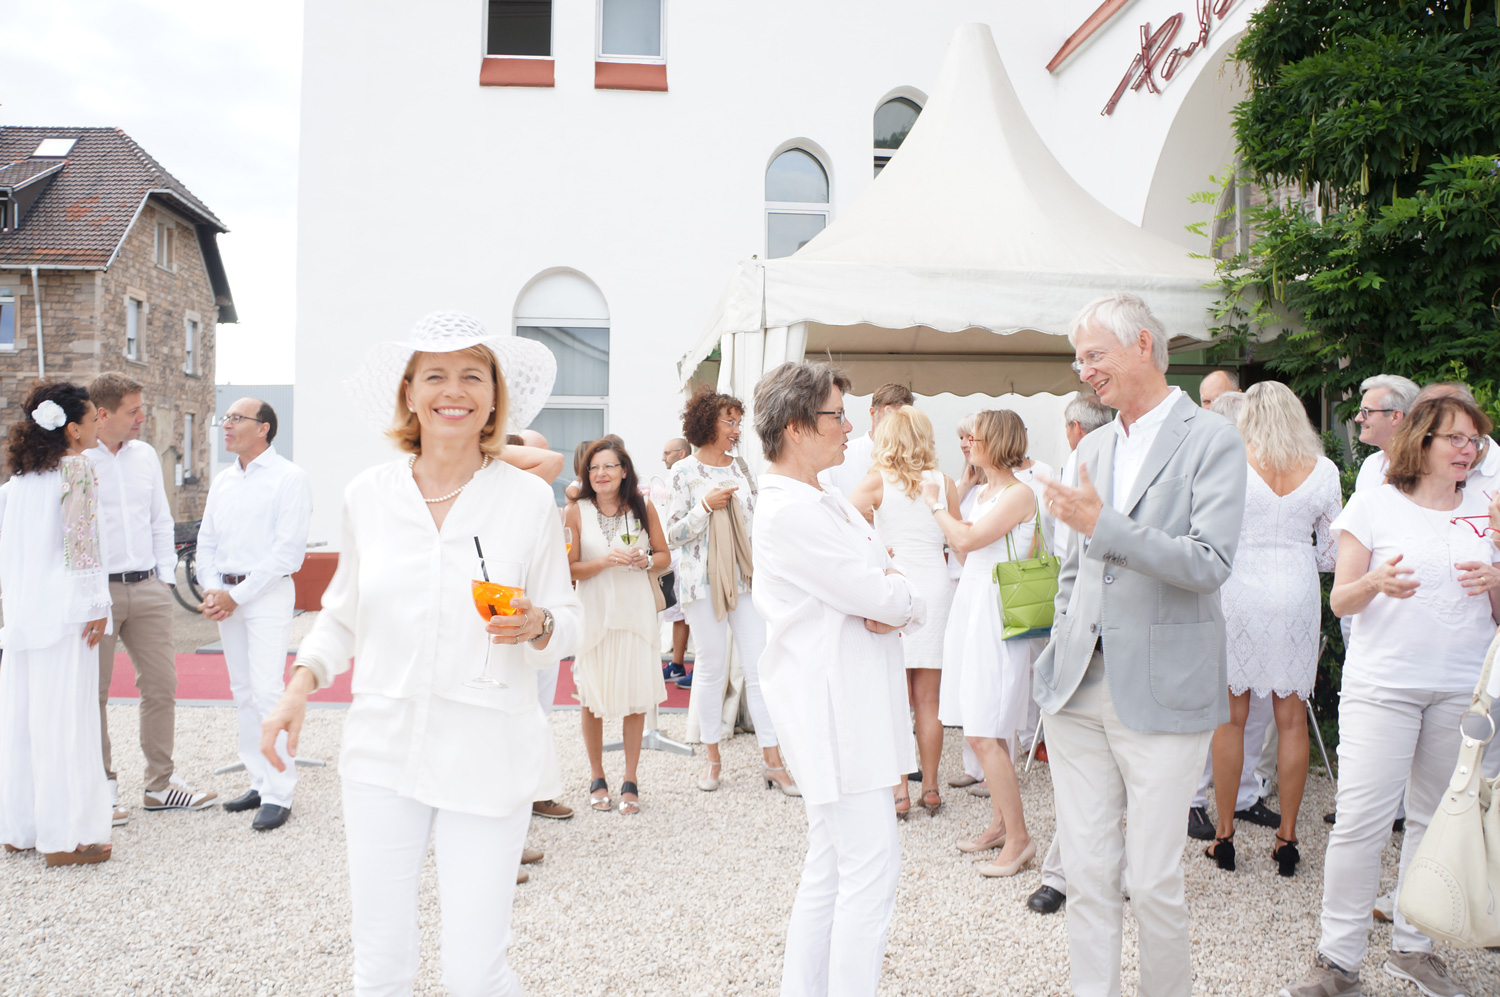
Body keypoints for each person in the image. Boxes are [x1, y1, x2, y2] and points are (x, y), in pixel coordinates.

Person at [261, 310, 580, 994]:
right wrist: (298, 686)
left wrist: (541, 623)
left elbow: (572, 620)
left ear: (495, 397)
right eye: (434, 374)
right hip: (383, 747)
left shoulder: (528, 500)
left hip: (488, 747)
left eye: (472, 374)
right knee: (379, 964)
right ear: (409, 392)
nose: (453, 390)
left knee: (475, 969)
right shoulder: (368, 496)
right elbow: (342, 612)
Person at [1037, 292, 1247, 997]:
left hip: (1162, 690)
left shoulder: (1213, 438)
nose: (1082, 370)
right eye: (1078, 357)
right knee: (1089, 874)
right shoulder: (1093, 444)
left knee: (1153, 880)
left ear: (1144, 347)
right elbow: (1075, 567)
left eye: (1093, 355)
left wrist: (1107, 525)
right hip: (1076, 691)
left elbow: (1210, 562)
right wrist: (1056, 652)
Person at [1278, 393, 1500, 997]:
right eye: (1456, 438)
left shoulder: (1489, 506)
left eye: (1474, 439)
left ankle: (1414, 948)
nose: (1469, 448)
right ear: (1421, 442)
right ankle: (1336, 961)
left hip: (1460, 687)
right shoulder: (1373, 503)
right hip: (1384, 686)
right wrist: (1375, 580)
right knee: (1360, 822)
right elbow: (1341, 600)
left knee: (1434, 819)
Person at [750, 360, 924, 997]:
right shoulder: (792, 512)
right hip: (835, 708)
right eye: (835, 415)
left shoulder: (819, 498)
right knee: (867, 872)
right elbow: (882, 590)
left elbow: (888, 579)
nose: (849, 427)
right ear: (797, 427)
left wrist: (895, 594)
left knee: (831, 865)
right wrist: (899, 598)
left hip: (846, 700)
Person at [1205, 381, 1341, 878]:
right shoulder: (1324, 471)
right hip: (1297, 592)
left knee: (1231, 717)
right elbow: (1331, 554)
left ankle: (1223, 835)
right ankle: (1287, 837)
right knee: (1291, 719)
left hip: (1239, 589)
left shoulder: (1232, 463)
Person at [87, 372, 217, 816]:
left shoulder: (143, 456)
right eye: (133, 411)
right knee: (93, 693)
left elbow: (161, 520)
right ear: (102, 414)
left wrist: (164, 582)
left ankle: (159, 785)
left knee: (162, 686)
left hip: (147, 588)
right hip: (96, 594)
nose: (142, 418)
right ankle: (99, 788)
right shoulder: (77, 458)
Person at [0, 382, 114, 866]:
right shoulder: (79, 470)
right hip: (67, 614)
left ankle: (21, 827)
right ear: (71, 430)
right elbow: (83, 547)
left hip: (26, 614)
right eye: (92, 420)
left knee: (24, 720)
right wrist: (97, 604)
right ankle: (69, 837)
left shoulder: (18, 483)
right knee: (68, 720)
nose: (97, 426)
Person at [924, 409, 1042, 878]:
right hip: (974, 607)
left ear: (1000, 441)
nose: (969, 440)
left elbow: (965, 542)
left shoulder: (1019, 494)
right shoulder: (989, 491)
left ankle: (1020, 839)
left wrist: (935, 505)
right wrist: (958, 486)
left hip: (997, 614)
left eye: (977, 435)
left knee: (984, 729)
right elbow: (960, 539)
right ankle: (999, 824)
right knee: (989, 726)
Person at [665, 387, 795, 794]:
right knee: (710, 666)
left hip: (746, 578)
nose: (737, 430)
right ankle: (711, 758)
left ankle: (773, 761)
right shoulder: (682, 472)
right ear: (707, 423)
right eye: (730, 421)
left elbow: (760, 521)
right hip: (701, 583)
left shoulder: (742, 468)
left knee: (760, 666)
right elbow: (673, 533)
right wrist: (705, 507)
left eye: (739, 422)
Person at [196, 397, 313, 832]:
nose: (225, 426)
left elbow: (287, 552)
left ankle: (280, 792)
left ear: (263, 428)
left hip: (264, 595)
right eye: (225, 419)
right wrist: (213, 589)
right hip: (226, 593)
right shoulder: (224, 480)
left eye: (235, 419)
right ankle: (259, 781)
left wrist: (237, 596)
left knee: (267, 690)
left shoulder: (290, 478)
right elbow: (206, 541)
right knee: (242, 690)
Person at [848, 405, 959, 817]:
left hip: (896, 587)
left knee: (894, 697)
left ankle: (899, 791)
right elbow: (956, 537)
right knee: (929, 700)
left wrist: (874, 541)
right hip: (936, 587)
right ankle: (930, 787)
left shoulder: (877, 480)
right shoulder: (944, 482)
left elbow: (842, 517)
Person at [1029, 389, 1114, 917]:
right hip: (1081, 632)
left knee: (1124, 779)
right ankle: (1061, 873)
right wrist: (1062, 629)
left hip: (1138, 639)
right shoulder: (1083, 460)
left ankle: (1111, 871)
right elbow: (1069, 559)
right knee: (1079, 776)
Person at [566, 438, 669, 815]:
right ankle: (596, 776)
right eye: (593, 468)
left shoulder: (643, 507)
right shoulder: (575, 511)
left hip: (635, 613)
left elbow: (664, 557)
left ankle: (630, 779)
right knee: (591, 696)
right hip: (594, 612)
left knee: (635, 694)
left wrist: (644, 560)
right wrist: (605, 562)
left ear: (624, 470)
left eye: (608, 466)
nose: (600, 474)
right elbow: (570, 568)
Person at [944, 412, 989, 796]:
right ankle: (972, 765)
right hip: (958, 582)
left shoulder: (1004, 489)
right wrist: (962, 483)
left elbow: (961, 534)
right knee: (962, 673)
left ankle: (991, 768)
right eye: (961, 439)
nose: (964, 445)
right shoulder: (968, 484)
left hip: (981, 583)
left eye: (969, 438)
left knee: (983, 675)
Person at [817, 382, 914, 498]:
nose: (895, 424)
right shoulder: (840, 454)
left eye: (903, 418)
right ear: (873, 413)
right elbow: (824, 501)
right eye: (890, 416)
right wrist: (857, 514)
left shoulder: (916, 460)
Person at [660, 436, 692, 685]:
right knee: (676, 612)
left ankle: (691, 667)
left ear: (681, 454)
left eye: (667, 453)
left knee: (689, 612)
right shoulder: (670, 480)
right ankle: (677, 664)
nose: (663, 458)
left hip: (685, 552)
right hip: (671, 552)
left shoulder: (686, 476)